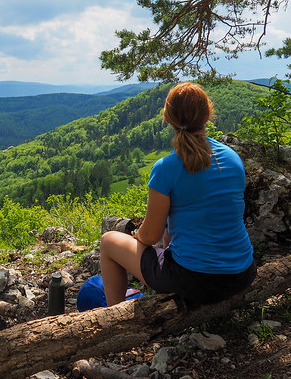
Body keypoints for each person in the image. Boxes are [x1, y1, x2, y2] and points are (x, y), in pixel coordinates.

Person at [99, 82, 256, 308]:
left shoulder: (166, 168)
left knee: (108, 241)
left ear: (168, 118)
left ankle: (114, 319)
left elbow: (149, 237)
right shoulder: (233, 159)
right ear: (208, 115)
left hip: (195, 280)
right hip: (242, 272)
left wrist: (136, 235)